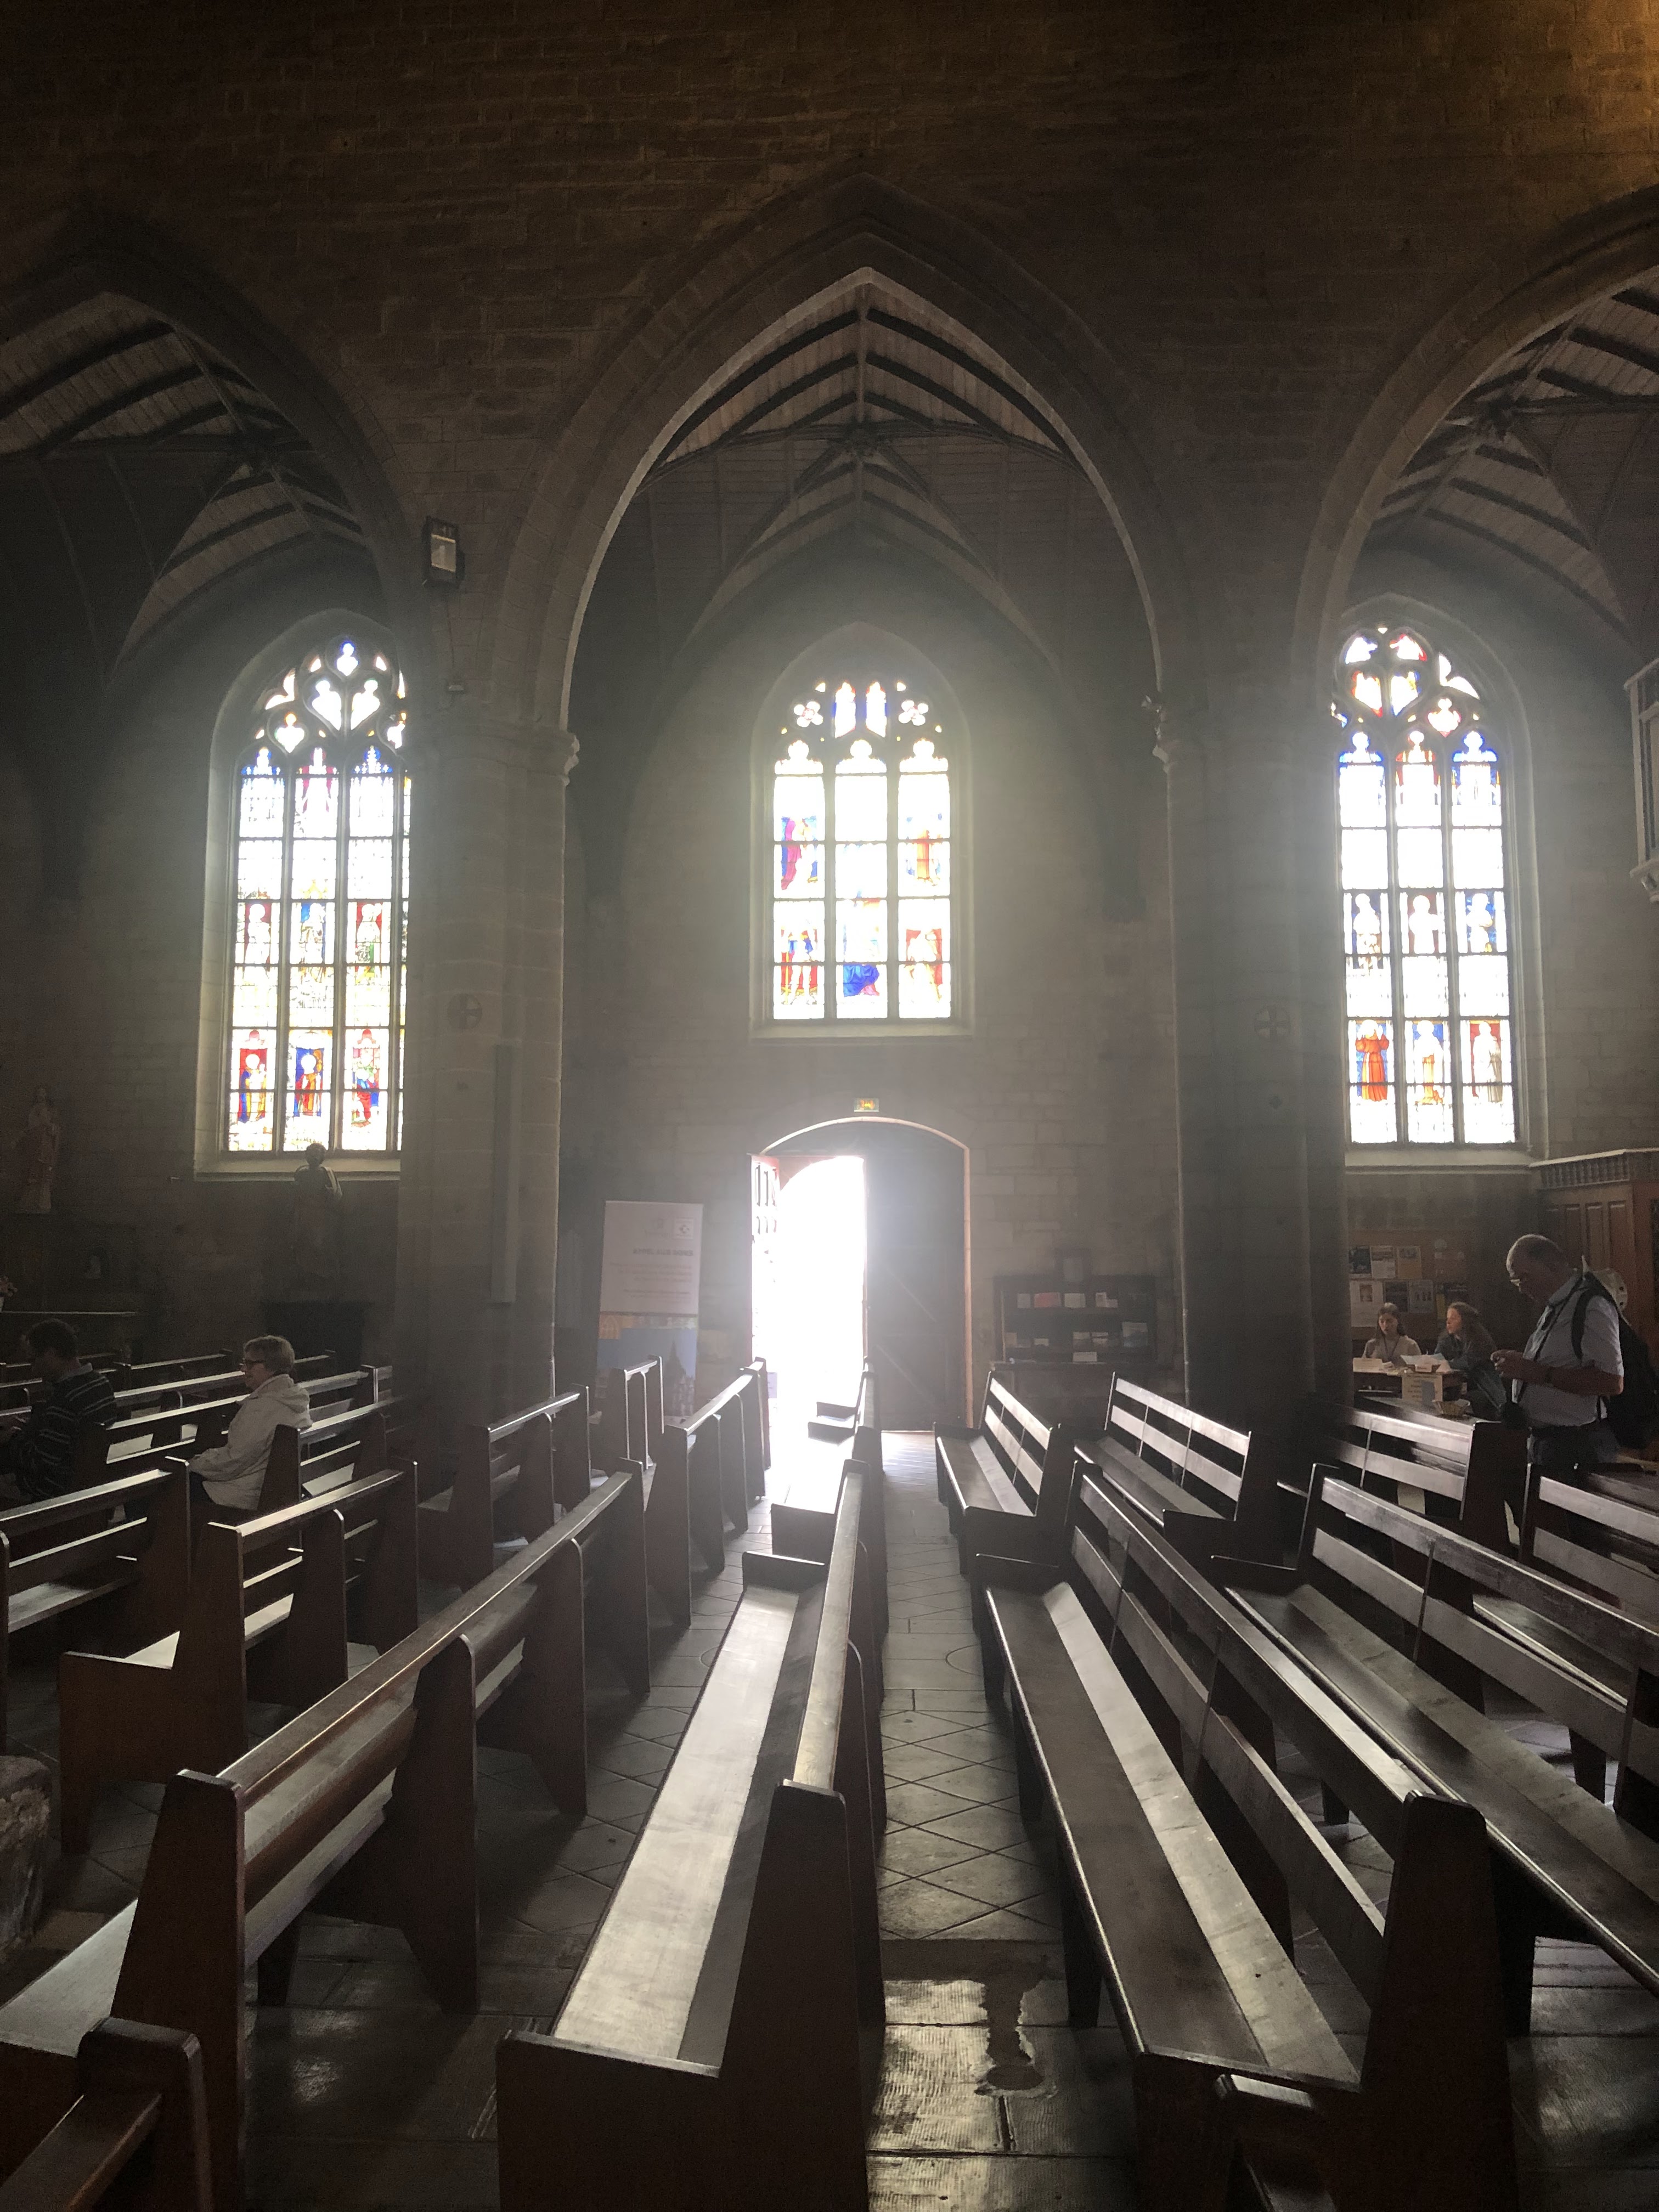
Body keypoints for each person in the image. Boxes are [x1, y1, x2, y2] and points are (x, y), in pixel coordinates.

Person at [1492, 1234, 1623, 1479]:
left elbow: (1611, 1382)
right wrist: (1522, 1363)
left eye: (1523, 1277)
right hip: (1548, 1442)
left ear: (1550, 1265)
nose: (1521, 1287)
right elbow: (1563, 1360)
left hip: (1576, 1446)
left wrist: (1533, 1372)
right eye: (1516, 1281)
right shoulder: (1558, 1305)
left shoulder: (1591, 1305)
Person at [185, 1334, 311, 1519]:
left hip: (246, 1495)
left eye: (250, 1364)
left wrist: (192, 1464)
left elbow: (233, 1462)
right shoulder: (294, 1397)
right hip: (272, 1486)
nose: (244, 1369)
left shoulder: (263, 1407)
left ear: (271, 1367)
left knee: (174, 1487)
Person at [0, 1319, 117, 1503]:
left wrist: (12, 1437)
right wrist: (26, 1428)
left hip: (54, 1493)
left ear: (51, 1354)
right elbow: (63, 1437)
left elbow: (40, 1463)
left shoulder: (65, 1398)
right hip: (91, 1484)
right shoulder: (101, 1383)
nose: (34, 1370)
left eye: (34, 1360)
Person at [1434, 1300, 1506, 1419]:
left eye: (1454, 1318)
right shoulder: (1446, 1340)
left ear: (1466, 1320)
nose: (1448, 1322)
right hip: (1456, 1387)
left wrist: (1446, 1364)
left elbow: (1468, 1364)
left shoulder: (1480, 1340)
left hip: (1483, 1387)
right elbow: (1436, 1360)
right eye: (1447, 1318)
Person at [1363, 1302, 1421, 1367]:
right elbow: (1363, 1367)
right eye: (1382, 1321)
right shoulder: (1372, 1344)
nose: (1386, 1325)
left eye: (1389, 1321)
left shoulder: (1410, 1345)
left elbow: (1419, 1368)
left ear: (1398, 1321)